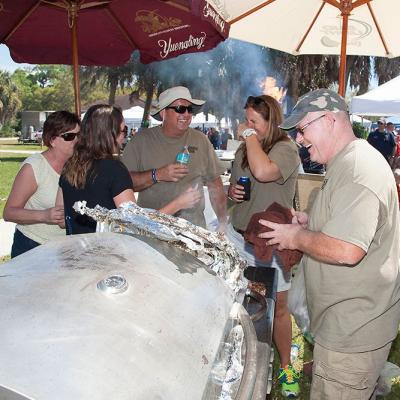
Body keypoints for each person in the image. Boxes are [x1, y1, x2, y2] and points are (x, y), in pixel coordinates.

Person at [258, 89, 400, 400]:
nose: (299, 138)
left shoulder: (358, 169)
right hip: (344, 326)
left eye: (303, 128)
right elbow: (347, 223)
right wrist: (310, 223)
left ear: (331, 120)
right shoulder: (346, 164)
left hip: (353, 332)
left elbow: (347, 250)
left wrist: (295, 238)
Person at [226, 95, 300, 398]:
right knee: (241, 303)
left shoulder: (287, 149)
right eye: (246, 120)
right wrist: (233, 192)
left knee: (278, 308)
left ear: (272, 122)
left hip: (272, 241)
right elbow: (238, 187)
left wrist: (248, 136)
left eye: (254, 121)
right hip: (239, 235)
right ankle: (243, 360)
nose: (247, 126)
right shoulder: (247, 148)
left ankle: (285, 366)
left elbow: (264, 172)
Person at [57, 104, 200, 235]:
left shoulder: (70, 166)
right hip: (108, 255)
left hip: (77, 253)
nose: (124, 138)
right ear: (109, 134)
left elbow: (62, 220)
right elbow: (137, 225)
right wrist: (179, 203)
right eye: (123, 130)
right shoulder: (114, 169)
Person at [122, 86, 227, 230]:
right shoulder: (140, 141)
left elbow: (215, 185)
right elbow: (124, 183)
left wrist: (222, 223)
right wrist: (158, 175)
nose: (186, 114)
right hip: (152, 230)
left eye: (189, 109)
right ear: (164, 112)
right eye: (180, 109)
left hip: (193, 232)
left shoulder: (200, 140)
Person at [4, 111, 80, 257]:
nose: (76, 140)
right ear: (52, 140)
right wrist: (44, 215)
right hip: (32, 246)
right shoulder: (34, 167)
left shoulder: (77, 165)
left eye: (79, 135)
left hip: (67, 248)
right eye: (69, 136)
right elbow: (9, 212)